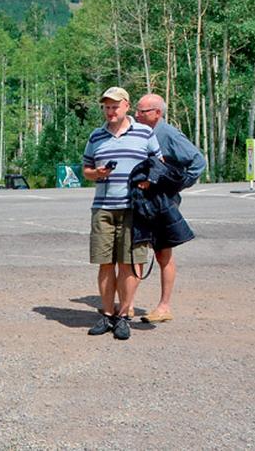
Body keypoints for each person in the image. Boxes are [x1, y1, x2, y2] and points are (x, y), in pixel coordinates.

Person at [82, 87, 161, 340]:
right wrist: (96, 174)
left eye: (115, 106)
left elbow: (159, 165)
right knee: (105, 263)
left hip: (133, 208)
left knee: (128, 264)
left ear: (126, 106)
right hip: (103, 207)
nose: (110, 111)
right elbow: (86, 169)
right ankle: (107, 314)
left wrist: (148, 180)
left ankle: (124, 316)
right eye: (106, 107)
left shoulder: (144, 133)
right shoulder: (96, 136)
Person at [134, 93, 206, 323]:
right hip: (140, 200)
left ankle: (164, 307)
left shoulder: (168, 134)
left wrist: (175, 186)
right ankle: (128, 305)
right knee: (135, 251)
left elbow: (197, 161)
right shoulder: (138, 131)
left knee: (163, 253)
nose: (137, 115)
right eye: (137, 110)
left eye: (143, 111)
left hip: (162, 202)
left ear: (157, 113)